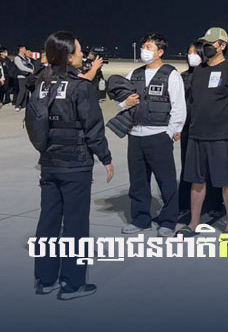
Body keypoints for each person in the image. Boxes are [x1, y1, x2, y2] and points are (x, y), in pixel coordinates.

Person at [31, 31, 114, 300]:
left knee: (48, 221)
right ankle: (72, 283)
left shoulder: (42, 83)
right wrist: (106, 158)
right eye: (78, 51)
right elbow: (93, 128)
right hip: (75, 164)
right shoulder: (80, 87)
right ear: (68, 56)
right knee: (75, 224)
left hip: (49, 162)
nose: (82, 55)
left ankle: (45, 280)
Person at [118, 33, 186, 237]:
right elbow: (120, 99)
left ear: (160, 52)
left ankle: (168, 221)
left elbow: (179, 107)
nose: (144, 51)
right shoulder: (134, 74)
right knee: (138, 181)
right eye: (143, 47)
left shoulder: (170, 75)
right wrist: (124, 104)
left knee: (166, 181)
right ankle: (140, 219)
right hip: (135, 135)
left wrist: (170, 132)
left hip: (158, 135)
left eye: (149, 47)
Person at [177, 28, 228, 236]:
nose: (206, 47)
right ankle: (193, 223)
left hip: (221, 137)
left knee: (226, 182)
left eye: (210, 44)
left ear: (222, 46)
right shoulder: (199, 71)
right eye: (204, 43)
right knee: (197, 181)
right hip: (196, 135)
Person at [177, 41, 202, 215]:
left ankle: (210, 202)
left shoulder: (209, 76)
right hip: (187, 127)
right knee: (187, 166)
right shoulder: (183, 77)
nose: (192, 55)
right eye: (189, 52)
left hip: (205, 127)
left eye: (196, 52)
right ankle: (184, 203)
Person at [14, 44, 34, 111]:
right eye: (24, 49)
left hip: (27, 76)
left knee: (26, 91)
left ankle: (24, 105)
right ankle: (17, 105)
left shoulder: (25, 58)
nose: (25, 50)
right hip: (21, 76)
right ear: (20, 49)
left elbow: (29, 65)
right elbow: (21, 67)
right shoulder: (17, 58)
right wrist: (31, 70)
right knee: (22, 91)